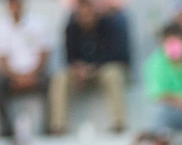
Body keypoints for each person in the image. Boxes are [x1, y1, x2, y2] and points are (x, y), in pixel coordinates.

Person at [48, 0, 132, 136]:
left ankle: (118, 123)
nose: (86, 18)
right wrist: (78, 69)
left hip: (101, 72)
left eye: (88, 14)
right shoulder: (71, 28)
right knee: (60, 78)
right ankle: (58, 126)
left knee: (112, 73)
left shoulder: (109, 26)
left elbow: (116, 55)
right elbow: (70, 56)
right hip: (80, 76)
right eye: (82, 15)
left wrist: (94, 67)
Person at [0, 0, 52, 138]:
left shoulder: (38, 23)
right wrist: (16, 77)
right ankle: (5, 129)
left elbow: (44, 54)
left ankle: (49, 126)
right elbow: (2, 60)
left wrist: (31, 75)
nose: (15, 7)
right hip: (11, 76)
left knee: (52, 83)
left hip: (35, 73)